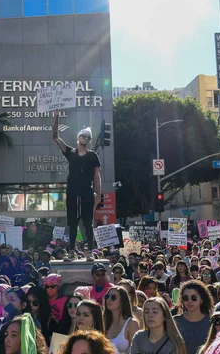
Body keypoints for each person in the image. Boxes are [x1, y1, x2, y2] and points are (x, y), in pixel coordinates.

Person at [52, 110, 102, 260]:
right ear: (78, 137)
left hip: (87, 192)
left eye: (88, 137)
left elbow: (97, 175)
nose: (85, 138)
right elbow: (55, 137)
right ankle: (72, 251)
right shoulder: (70, 152)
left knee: (88, 223)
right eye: (83, 136)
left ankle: (91, 252)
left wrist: (98, 194)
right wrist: (56, 118)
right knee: (72, 222)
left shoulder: (92, 155)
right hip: (72, 192)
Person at [173, 280, 213, 354]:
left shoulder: (212, 323)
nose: (189, 301)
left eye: (194, 298)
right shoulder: (174, 321)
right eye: (185, 298)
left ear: (202, 299)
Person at [104, 286, 139, 354]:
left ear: (122, 300)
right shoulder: (103, 322)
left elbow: (135, 350)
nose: (109, 300)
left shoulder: (131, 323)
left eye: (113, 297)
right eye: (107, 297)